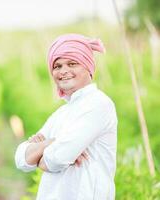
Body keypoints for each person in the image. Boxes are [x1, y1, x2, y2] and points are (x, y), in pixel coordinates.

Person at [14, 33, 118, 200]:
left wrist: (42, 152)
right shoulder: (62, 113)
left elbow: (55, 159)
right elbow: (22, 159)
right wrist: (53, 142)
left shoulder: (99, 105)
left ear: (88, 66)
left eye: (72, 63)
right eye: (57, 66)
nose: (63, 71)